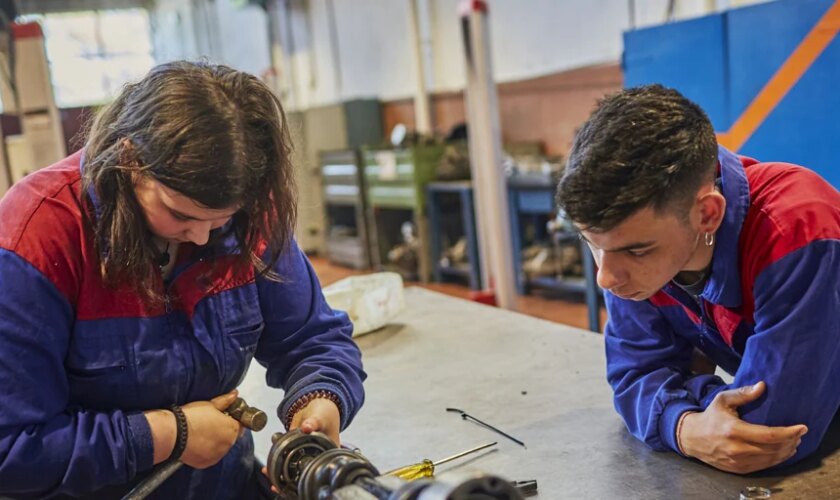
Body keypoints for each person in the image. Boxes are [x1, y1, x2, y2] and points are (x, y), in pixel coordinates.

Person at [0, 61, 366, 498]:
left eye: (220, 220)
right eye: (180, 214)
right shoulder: (36, 237)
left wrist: (320, 400)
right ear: (130, 158)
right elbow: (12, 448)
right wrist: (166, 434)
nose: (201, 235)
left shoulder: (241, 206)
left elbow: (313, 338)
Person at [556, 84, 840, 474]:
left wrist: (677, 396)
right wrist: (686, 427)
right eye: (592, 244)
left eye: (637, 251)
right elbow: (634, 374)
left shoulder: (797, 230)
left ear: (708, 214)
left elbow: (769, 433)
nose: (606, 277)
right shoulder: (634, 242)